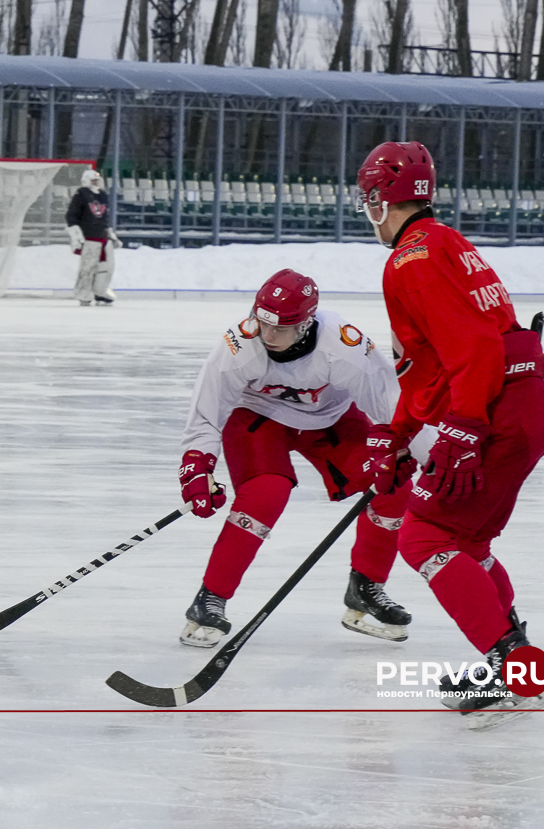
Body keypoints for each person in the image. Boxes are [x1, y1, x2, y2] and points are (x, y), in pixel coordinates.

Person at [356, 140, 544, 720]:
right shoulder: (443, 241)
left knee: (423, 538)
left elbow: (471, 350)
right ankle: (511, 650)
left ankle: (514, 664)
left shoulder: (410, 261)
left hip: (496, 412)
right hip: (523, 407)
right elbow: (433, 364)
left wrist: (464, 429)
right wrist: (395, 435)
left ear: (378, 199)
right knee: (466, 542)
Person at [177, 269, 413, 648]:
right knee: (265, 494)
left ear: (306, 323)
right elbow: (206, 414)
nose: (268, 335)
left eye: (281, 328)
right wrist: (197, 465)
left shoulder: (344, 346)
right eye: (262, 322)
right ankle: (210, 599)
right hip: (258, 418)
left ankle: (366, 587)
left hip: (330, 420)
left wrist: (403, 450)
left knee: (396, 489)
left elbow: (392, 407)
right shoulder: (239, 344)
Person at [65, 168, 122, 306]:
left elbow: (104, 217)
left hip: (103, 237)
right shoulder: (81, 195)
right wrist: (76, 236)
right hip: (89, 238)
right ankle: (83, 293)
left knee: (107, 267)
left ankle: (100, 291)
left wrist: (111, 234)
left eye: (97, 180)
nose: (96, 182)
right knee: (88, 268)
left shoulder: (102, 195)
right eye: (93, 180)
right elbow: (71, 217)